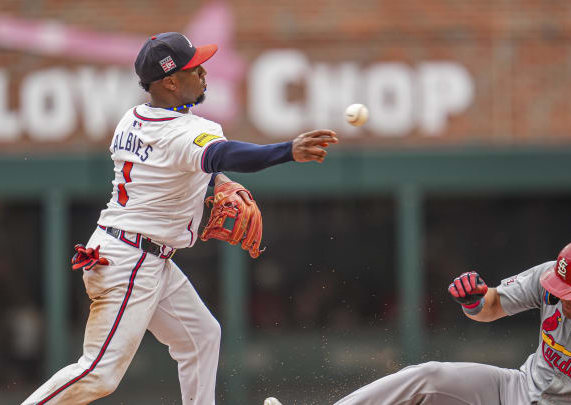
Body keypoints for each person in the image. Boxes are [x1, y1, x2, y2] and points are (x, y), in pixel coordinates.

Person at [22, 32, 337, 405]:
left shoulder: (133, 118)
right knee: (99, 373)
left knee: (201, 337)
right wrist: (288, 151)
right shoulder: (185, 132)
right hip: (132, 260)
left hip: (134, 251)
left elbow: (180, 164)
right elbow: (222, 154)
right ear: (170, 81)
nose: (204, 72)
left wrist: (217, 181)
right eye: (193, 68)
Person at [330, 236, 571, 405]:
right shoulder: (549, 278)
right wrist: (474, 301)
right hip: (517, 389)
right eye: (561, 286)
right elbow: (492, 305)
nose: (562, 297)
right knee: (427, 376)